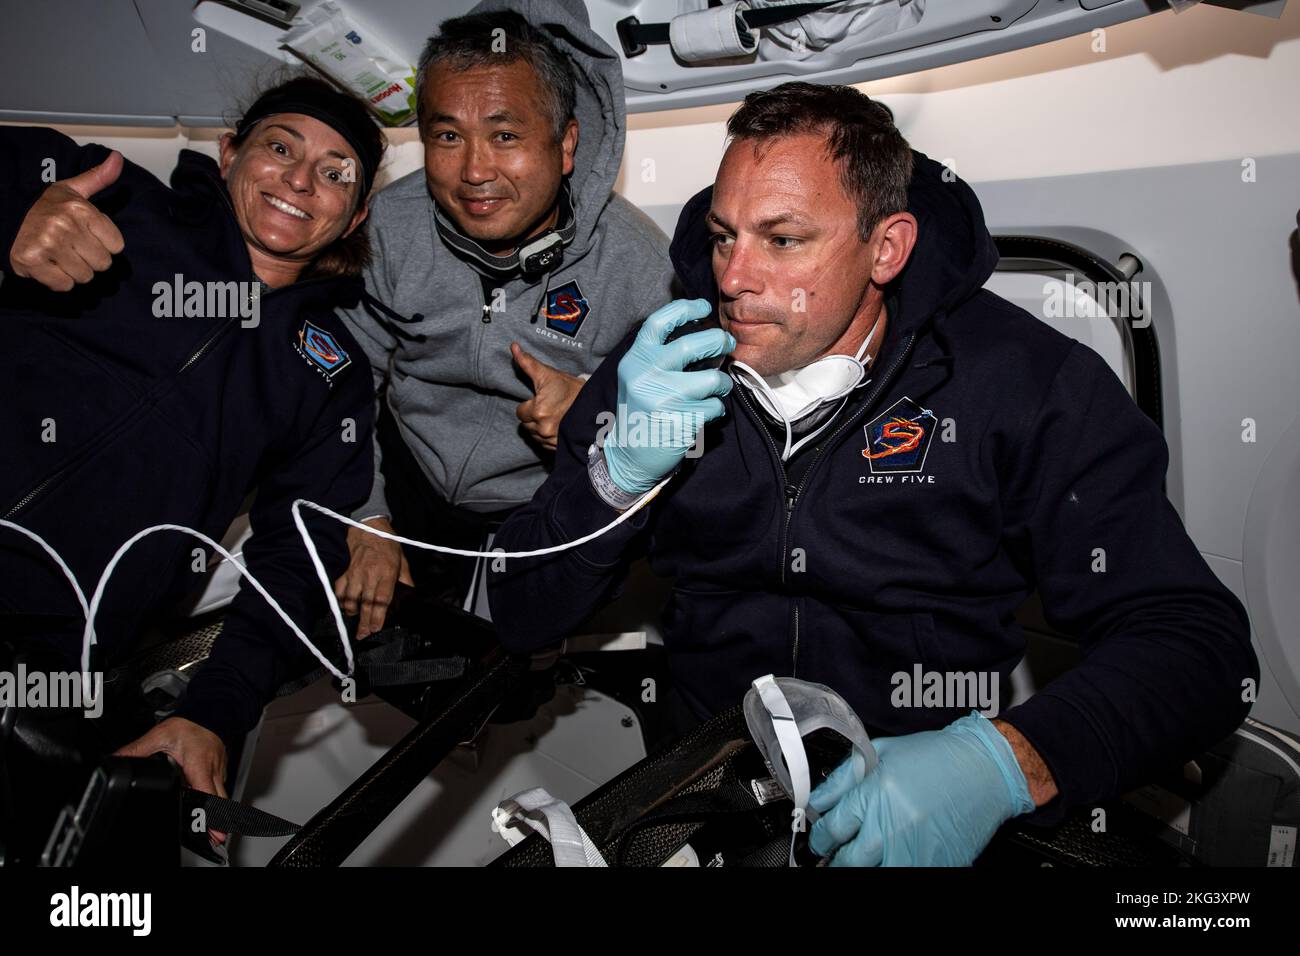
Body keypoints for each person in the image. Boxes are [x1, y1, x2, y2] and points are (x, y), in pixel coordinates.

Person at [486, 82, 1259, 865]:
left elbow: (1199, 649)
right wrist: (613, 480)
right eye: (724, 237)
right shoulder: (663, 364)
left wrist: (1002, 765)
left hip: (920, 791)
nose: (733, 279)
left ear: (886, 248)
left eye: (783, 240)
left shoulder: (1025, 383)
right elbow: (518, 612)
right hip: (709, 773)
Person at [0, 75, 383, 844]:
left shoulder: (332, 371)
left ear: (356, 215)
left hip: (50, 665)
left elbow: (296, 558)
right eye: (280, 147)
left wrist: (216, 711)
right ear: (230, 151)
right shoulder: (110, 201)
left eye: (337, 172)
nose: (303, 181)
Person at [334, 0, 678, 637]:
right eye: (447, 136)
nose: (473, 172)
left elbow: (687, 443)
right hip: (403, 476)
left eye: (505, 135)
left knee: (516, 671)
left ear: (566, 144)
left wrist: (596, 414)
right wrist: (366, 519)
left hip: (541, 502)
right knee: (394, 664)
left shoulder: (644, 269)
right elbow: (340, 386)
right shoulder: (388, 226)